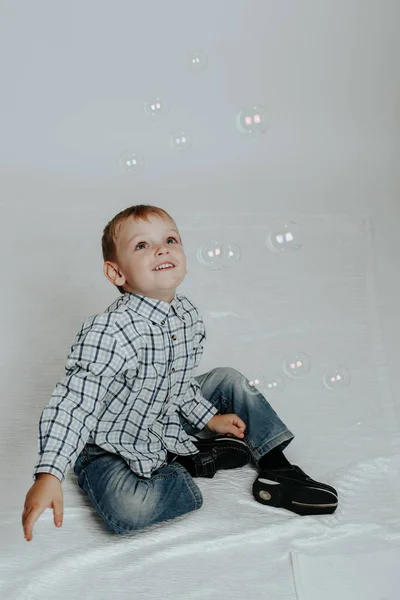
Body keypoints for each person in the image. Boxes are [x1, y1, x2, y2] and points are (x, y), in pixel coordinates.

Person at [21, 204, 338, 542]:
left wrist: (208, 418)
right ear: (116, 274)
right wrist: (49, 474)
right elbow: (74, 404)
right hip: (109, 442)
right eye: (142, 246)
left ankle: (278, 468)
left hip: (160, 414)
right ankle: (191, 464)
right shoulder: (109, 333)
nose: (161, 249)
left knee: (228, 379)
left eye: (170, 239)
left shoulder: (186, 314)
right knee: (129, 508)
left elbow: (176, 380)